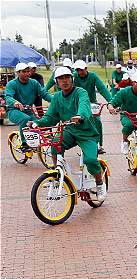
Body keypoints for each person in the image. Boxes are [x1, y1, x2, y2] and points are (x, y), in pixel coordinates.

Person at [27, 67, 107, 201]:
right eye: (60, 79)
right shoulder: (57, 97)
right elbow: (51, 117)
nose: (64, 81)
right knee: (54, 145)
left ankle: (99, 184)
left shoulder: (81, 92)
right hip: (69, 131)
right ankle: (57, 175)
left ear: (72, 79)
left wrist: (79, 116)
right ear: (56, 82)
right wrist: (37, 123)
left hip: (86, 132)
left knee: (91, 160)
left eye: (67, 77)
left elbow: (84, 107)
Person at [5, 63, 53, 151]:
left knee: (38, 124)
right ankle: (24, 144)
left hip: (28, 110)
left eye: (28, 71)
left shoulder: (34, 83)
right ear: (18, 73)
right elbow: (8, 96)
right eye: (24, 72)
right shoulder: (12, 84)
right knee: (25, 119)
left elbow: (44, 94)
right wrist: (14, 102)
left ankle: (34, 142)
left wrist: (55, 100)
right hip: (13, 111)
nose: (27, 73)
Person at [72, 60, 113, 154]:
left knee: (97, 122)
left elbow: (102, 88)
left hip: (92, 103)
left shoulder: (93, 76)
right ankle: (83, 144)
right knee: (79, 122)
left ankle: (99, 145)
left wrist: (110, 102)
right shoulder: (74, 77)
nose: (79, 72)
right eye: (77, 70)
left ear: (86, 69)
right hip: (79, 103)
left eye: (81, 70)